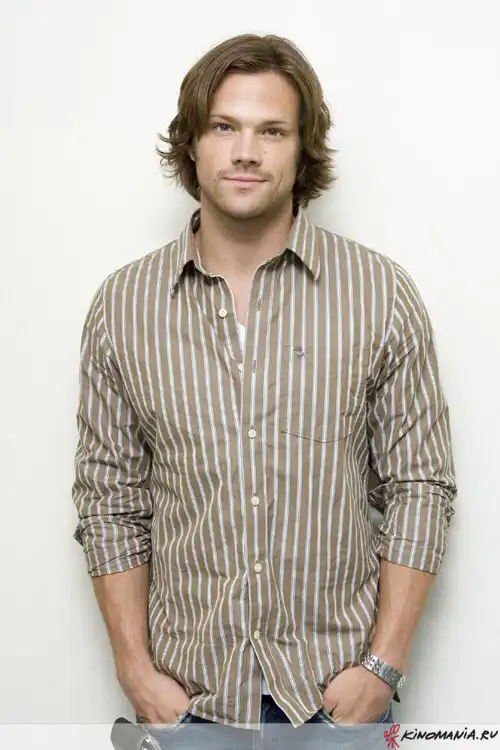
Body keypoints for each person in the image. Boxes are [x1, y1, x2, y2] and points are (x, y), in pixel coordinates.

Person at [72, 32, 457, 748]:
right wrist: (136, 670)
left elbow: (420, 486)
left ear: (302, 150)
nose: (245, 151)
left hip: (336, 701)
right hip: (188, 705)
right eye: (224, 126)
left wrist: (383, 666)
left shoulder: (381, 296)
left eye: (272, 131)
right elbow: (109, 499)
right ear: (191, 143)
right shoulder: (123, 308)